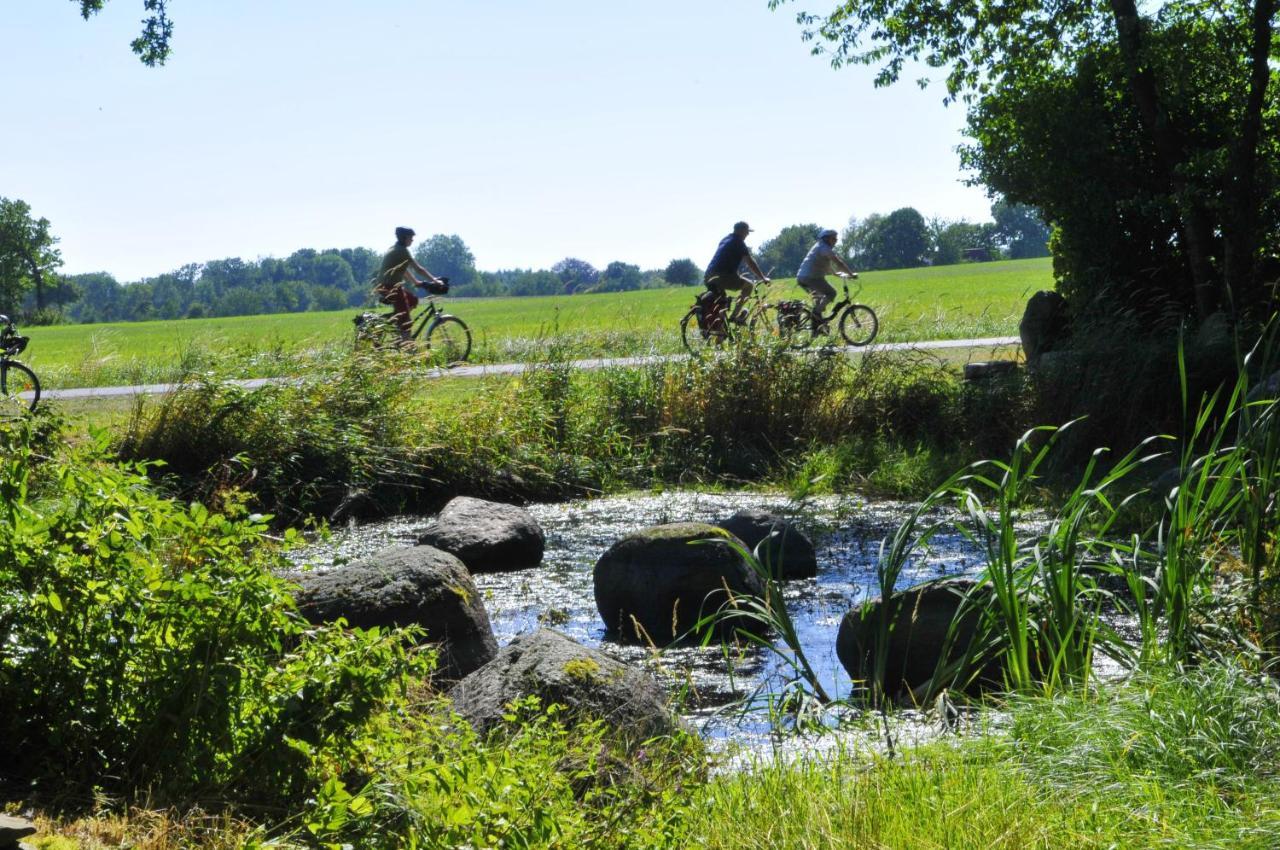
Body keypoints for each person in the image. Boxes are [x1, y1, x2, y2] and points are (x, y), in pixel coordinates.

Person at [374, 226, 445, 343]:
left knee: (413, 301)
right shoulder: (402, 251)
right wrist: (435, 281)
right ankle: (407, 347)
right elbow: (419, 269)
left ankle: (396, 324)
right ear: (404, 238)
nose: (412, 240)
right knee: (406, 320)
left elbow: (403, 269)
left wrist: (416, 282)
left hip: (386, 286)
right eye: (411, 237)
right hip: (390, 287)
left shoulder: (396, 248)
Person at [704, 221, 770, 324]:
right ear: (741, 231)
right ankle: (734, 317)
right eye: (746, 232)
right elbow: (750, 261)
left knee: (723, 303)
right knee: (749, 286)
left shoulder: (725, 239)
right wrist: (762, 277)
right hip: (721, 276)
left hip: (708, 275)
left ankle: (721, 330)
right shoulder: (738, 242)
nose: (747, 234)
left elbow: (725, 259)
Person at [796, 228, 856, 322]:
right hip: (811, 278)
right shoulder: (824, 248)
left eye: (836, 239)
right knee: (831, 293)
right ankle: (816, 315)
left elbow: (825, 265)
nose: (836, 241)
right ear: (827, 239)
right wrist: (851, 274)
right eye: (834, 239)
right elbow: (838, 263)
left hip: (803, 277)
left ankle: (817, 327)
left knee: (819, 300)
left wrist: (835, 273)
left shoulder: (819, 247)